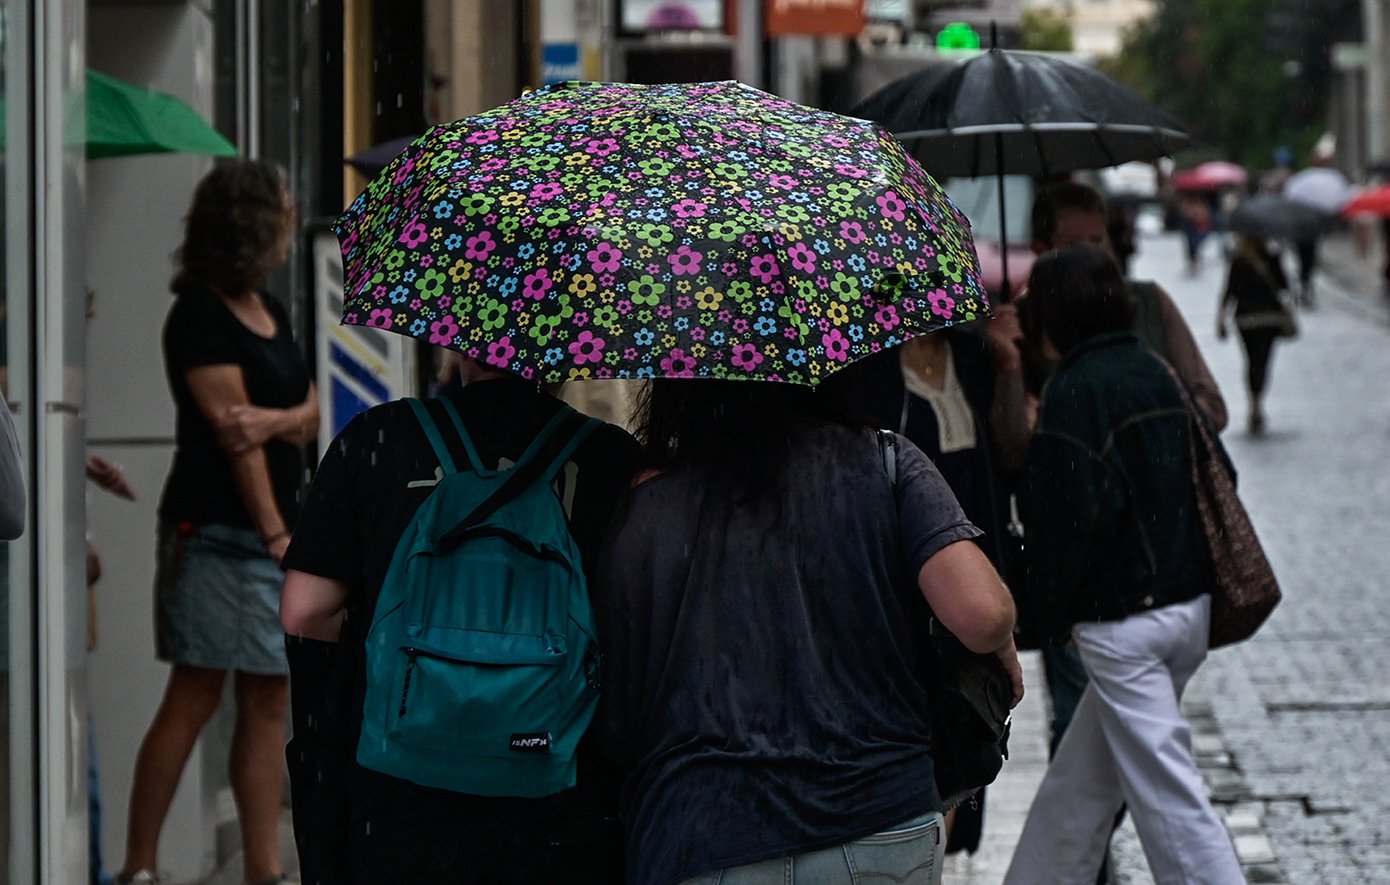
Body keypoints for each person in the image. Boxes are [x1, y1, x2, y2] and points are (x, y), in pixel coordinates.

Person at [595, 379, 1023, 885]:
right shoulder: (884, 462)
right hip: (880, 821)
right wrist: (1003, 644)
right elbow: (981, 615)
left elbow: (617, 711)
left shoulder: (648, 506)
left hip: (707, 833)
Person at [279, 357, 640, 884]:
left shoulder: (380, 437)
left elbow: (306, 610)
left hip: (399, 810)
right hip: (561, 813)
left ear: (459, 340)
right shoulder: (611, 457)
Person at [1003, 245, 1244, 885]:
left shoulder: (1073, 392)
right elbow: (1220, 473)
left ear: (1055, 315)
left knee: (1170, 800)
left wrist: (1044, 615)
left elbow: (1067, 525)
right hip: (1186, 609)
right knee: (1082, 787)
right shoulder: (1154, 370)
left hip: (1123, 624)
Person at [117, 161, 318, 885]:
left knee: (268, 696)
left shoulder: (271, 309)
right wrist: (275, 535)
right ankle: (139, 866)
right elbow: (237, 444)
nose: (292, 223)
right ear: (253, 224)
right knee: (196, 691)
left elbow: (309, 411)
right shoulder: (199, 314)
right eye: (284, 211)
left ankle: (264, 869)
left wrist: (273, 419)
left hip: (269, 537)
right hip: (216, 535)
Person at [832, 318, 1029, 856]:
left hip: (970, 561)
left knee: (965, 716)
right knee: (923, 715)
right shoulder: (872, 369)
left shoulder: (974, 356)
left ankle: (943, 844)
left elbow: (1010, 454)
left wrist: (1010, 369)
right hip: (905, 570)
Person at [1218, 233, 1295, 434]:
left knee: (1251, 361)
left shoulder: (1239, 261)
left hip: (1245, 319)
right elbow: (1285, 287)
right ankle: (1258, 402)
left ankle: (1253, 402)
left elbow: (1229, 291)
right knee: (1263, 361)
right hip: (1269, 319)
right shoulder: (1272, 258)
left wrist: (1221, 319)